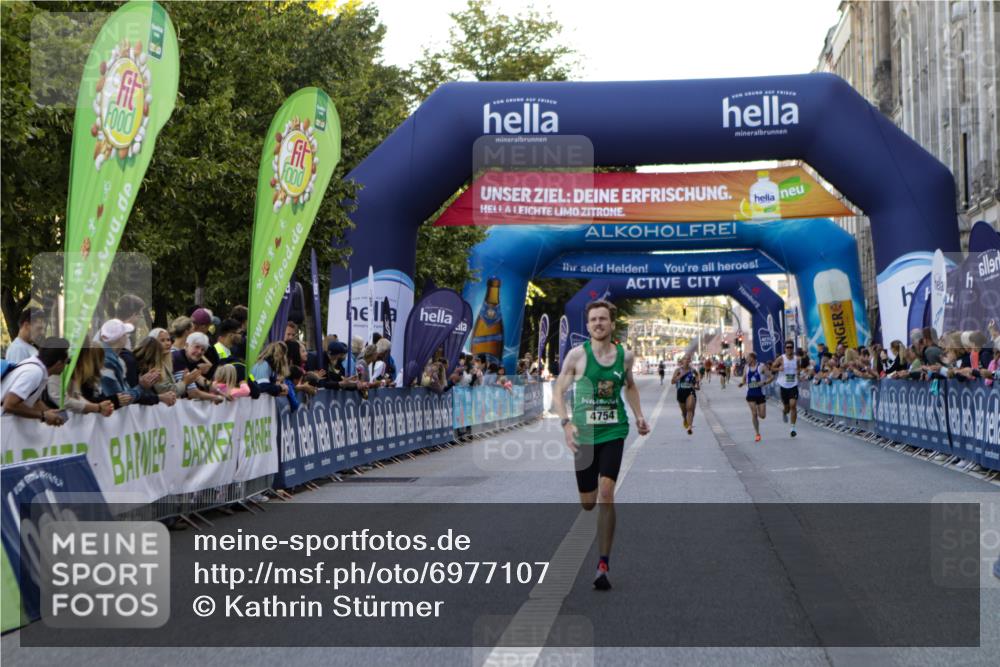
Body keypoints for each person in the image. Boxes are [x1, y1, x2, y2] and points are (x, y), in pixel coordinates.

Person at [551, 300, 649, 591]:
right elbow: (558, 390)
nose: (597, 323)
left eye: (603, 319)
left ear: (611, 323)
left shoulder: (625, 356)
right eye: (593, 319)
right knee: (588, 502)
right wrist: (566, 423)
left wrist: (639, 416)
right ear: (588, 324)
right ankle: (601, 556)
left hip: (613, 431)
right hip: (584, 436)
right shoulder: (576, 357)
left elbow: (629, 386)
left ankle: (603, 563)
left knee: (607, 494)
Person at [1, 337, 69, 425]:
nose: (66, 366)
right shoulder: (35, 372)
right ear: (59, 363)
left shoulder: (35, 367)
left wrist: (48, 412)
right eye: (67, 362)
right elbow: (9, 405)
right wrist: (43, 415)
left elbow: (33, 400)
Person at [48, 345, 116, 416]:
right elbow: (64, 402)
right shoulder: (58, 371)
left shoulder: (74, 371)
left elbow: (77, 396)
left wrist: (99, 407)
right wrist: (97, 408)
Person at [738, 351, 772, 442]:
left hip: (760, 394)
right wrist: (742, 383)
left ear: (752, 358)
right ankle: (757, 433)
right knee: (754, 413)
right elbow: (744, 378)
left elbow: (771, 377)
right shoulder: (746, 367)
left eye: (748, 358)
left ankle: (758, 409)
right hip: (750, 394)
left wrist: (763, 382)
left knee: (762, 415)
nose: (746, 360)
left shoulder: (761, 366)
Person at [771, 341, 800, 437]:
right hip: (783, 386)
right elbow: (772, 368)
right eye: (787, 347)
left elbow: (799, 369)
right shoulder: (781, 358)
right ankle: (784, 412)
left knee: (793, 405)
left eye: (791, 347)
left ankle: (792, 428)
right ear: (785, 349)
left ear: (793, 348)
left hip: (793, 385)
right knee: (787, 408)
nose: (789, 349)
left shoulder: (797, 359)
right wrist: (779, 369)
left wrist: (799, 373)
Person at [671, 355, 700, 435]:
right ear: (682, 361)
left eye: (688, 359)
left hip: (690, 391)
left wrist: (697, 384)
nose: (687, 361)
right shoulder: (678, 370)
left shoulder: (693, 370)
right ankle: (685, 419)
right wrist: (681, 375)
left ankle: (690, 427)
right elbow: (672, 381)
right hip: (681, 391)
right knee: (684, 412)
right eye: (685, 359)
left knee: (690, 408)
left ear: (690, 361)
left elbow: (697, 376)